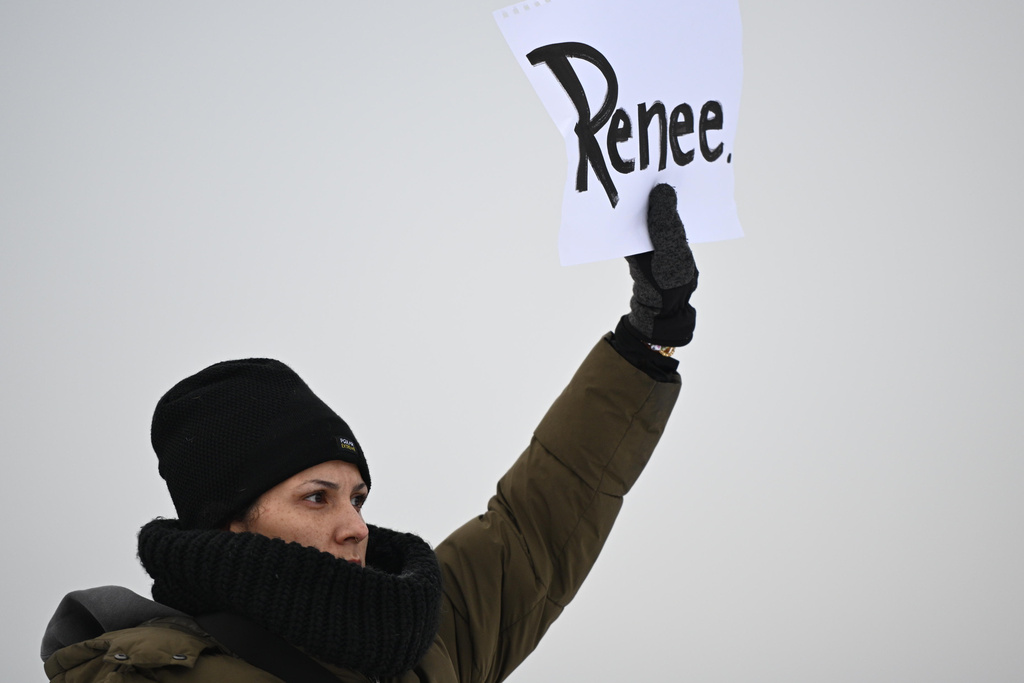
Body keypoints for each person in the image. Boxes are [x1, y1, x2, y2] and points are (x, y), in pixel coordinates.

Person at [40, 184, 699, 683]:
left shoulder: (423, 636)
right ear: (229, 520)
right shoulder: (148, 675)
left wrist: (650, 336)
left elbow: (544, 516)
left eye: (357, 497)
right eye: (317, 496)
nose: (355, 525)